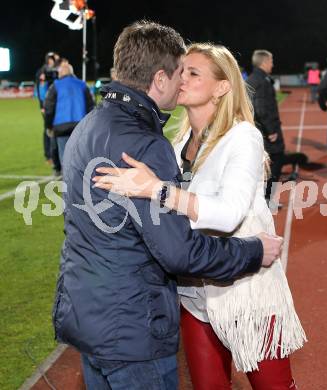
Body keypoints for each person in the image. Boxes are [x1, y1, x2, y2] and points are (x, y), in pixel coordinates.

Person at [53, 21, 283, 390]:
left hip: (238, 290)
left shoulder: (93, 124)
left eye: (195, 72)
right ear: (160, 79)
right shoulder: (164, 143)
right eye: (182, 71)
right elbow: (177, 248)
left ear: (223, 86)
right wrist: (251, 250)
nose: (184, 81)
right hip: (174, 301)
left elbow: (225, 214)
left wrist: (162, 191)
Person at [246, 50, 286, 203]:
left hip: (254, 129)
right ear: (263, 63)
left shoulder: (251, 79)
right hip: (265, 130)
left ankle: (260, 198)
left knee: (258, 164)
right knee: (277, 159)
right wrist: (271, 131)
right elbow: (261, 108)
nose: (273, 64)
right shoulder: (262, 81)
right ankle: (267, 198)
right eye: (271, 61)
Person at [44, 61, 94, 165]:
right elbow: (91, 107)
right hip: (80, 126)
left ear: (60, 73)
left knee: (65, 158)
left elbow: (49, 108)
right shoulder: (82, 85)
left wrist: (48, 126)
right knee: (81, 157)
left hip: (61, 126)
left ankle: (68, 178)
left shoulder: (55, 86)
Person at [35, 52, 61, 173]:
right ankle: (48, 155)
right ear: (48, 60)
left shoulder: (55, 70)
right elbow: (41, 89)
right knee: (48, 129)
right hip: (47, 105)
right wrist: (42, 106)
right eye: (54, 59)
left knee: (55, 129)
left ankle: (55, 155)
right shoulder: (43, 71)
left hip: (56, 104)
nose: (56, 61)